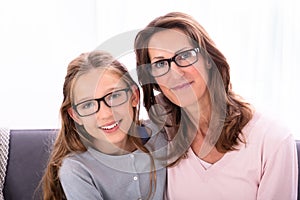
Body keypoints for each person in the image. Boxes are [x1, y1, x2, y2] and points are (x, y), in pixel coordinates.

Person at [134, 11, 298, 199]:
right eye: (160, 64)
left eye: (185, 55)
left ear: (208, 59)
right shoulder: (162, 137)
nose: (175, 73)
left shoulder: (272, 139)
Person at [41, 50, 166, 200]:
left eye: (114, 96)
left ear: (134, 96)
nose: (106, 114)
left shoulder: (164, 134)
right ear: (75, 116)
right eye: (88, 105)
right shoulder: (77, 169)